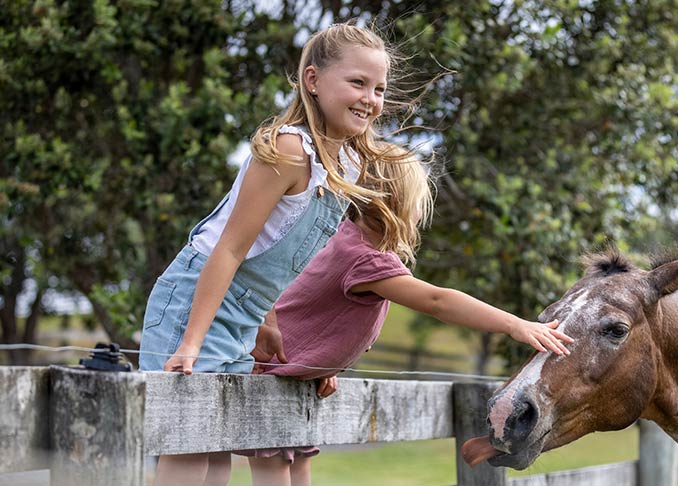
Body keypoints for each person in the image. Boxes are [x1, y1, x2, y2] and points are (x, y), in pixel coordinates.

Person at [137, 22, 413, 486]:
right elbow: (229, 249)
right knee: (188, 448)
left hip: (240, 317)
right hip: (196, 302)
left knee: (216, 447)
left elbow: (279, 259)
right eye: (357, 82)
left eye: (379, 88)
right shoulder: (288, 150)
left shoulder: (344, 165)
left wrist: (266, 322)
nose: (370, 98)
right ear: (313, 80)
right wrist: (191, 343)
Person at [240, 147, 574, 486]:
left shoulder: (343, 241)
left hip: (288, 376)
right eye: (418, 202)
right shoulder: (364, 258)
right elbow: (437, 301)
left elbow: (312, 306)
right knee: (277, 472)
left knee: (296, 468)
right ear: (392, 202)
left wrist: (320, 364)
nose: (419, 213)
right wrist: (515, 324)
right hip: (269, 375)